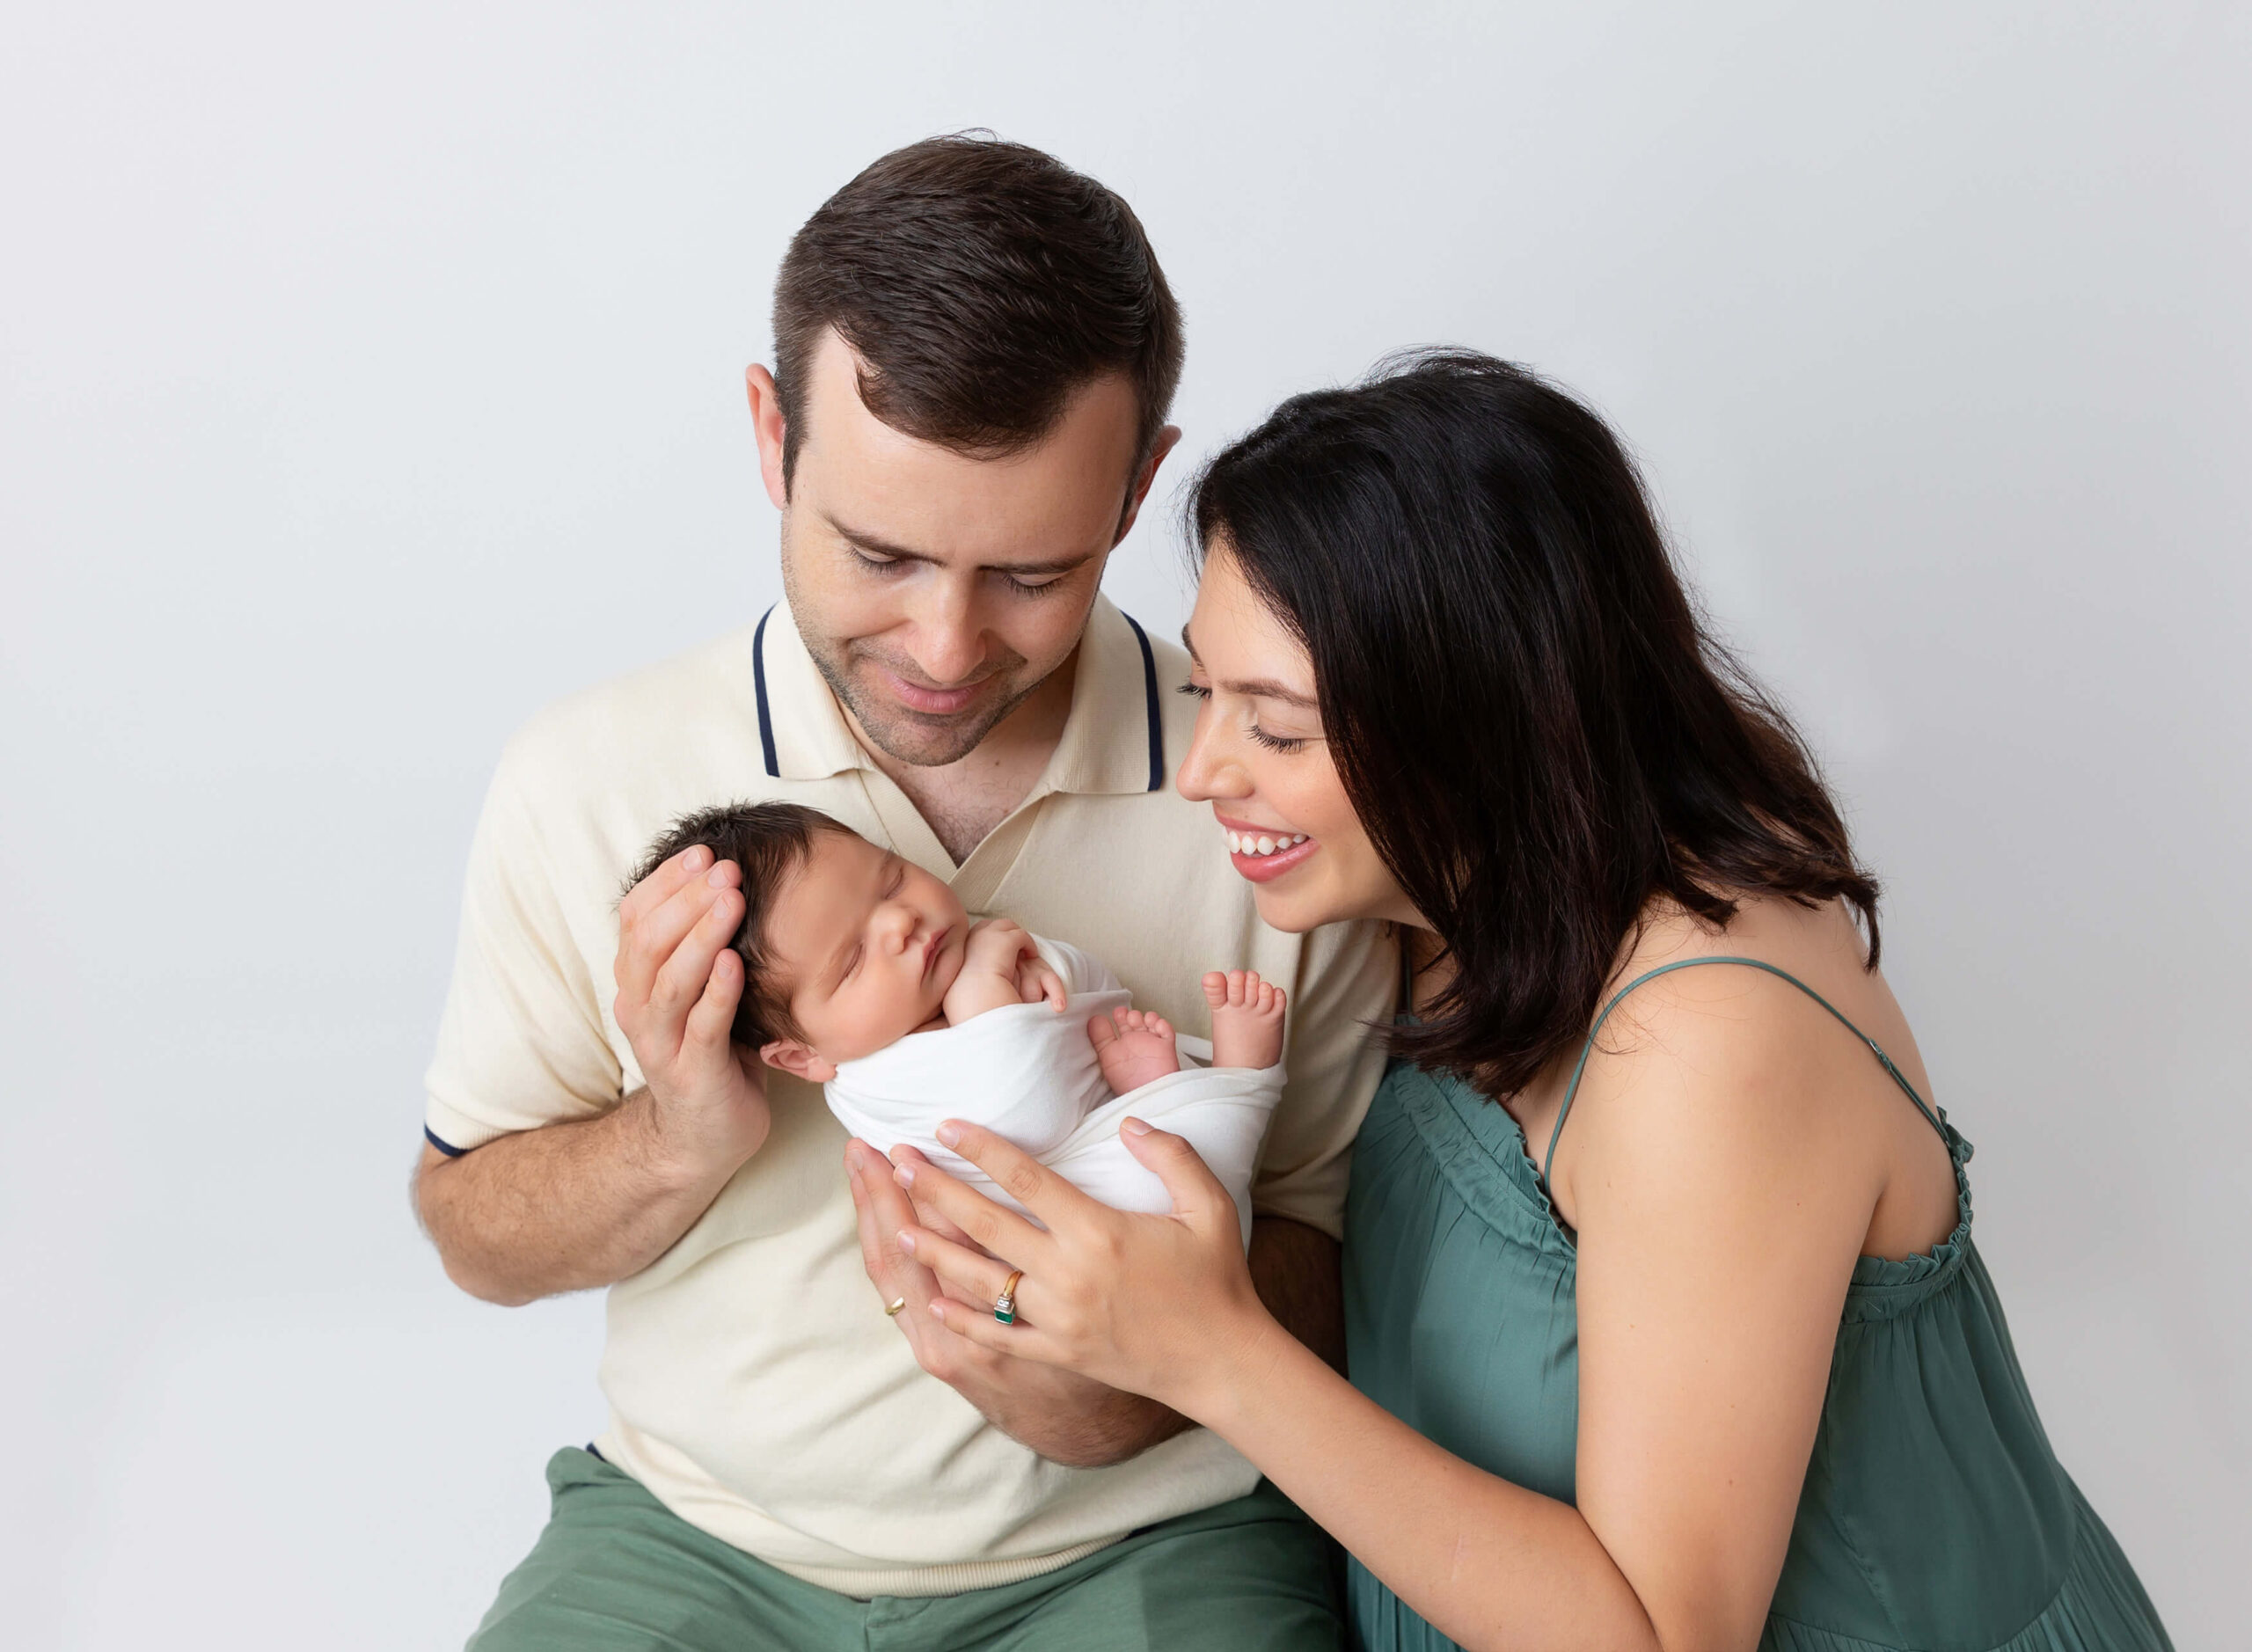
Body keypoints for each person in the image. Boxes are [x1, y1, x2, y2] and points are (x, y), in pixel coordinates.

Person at [884, 352, 2175, 1651]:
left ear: (1479, 723)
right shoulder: (1434, 902)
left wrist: (1214, 1352)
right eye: (1205, 694)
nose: (1205, 770)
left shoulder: (1706, 1039)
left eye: (1275, 726)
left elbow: (1665, 1635)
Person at [413, 135, 1394, 1650]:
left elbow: (1347, 1260)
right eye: (878, 551)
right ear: (769, 435)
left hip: (1147, 1540)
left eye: (1031, 574)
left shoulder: (1278, 776)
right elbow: (473, 1227)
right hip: (695, 1538)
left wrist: (1116, 1377)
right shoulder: (587, 777)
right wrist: (675, 1141)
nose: (944, 646)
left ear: (1140, 486)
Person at [626, 800, 1291, 1236]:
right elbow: (1023, 1119)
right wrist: (986, 993)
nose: (900, 922)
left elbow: (1100, 995)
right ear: (804, 1056)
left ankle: (1170, 1087)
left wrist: (1042, 971)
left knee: (1182, 1151)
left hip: (1124, 1160)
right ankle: (1240, 1074)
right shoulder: (877, 1082)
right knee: (1179, 1175)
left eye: (891, 880)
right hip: (1094, 1223)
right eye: (854, 960)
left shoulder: (965, 955)